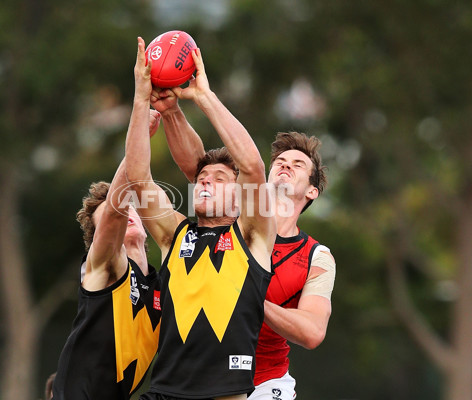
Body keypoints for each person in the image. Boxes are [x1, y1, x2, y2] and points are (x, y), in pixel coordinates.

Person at [151, 89, 335, 399]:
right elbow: (196, 168)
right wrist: (171, 112)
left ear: (312, 192)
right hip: (206, 376)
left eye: (298, 165)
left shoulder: (316, 256)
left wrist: (250, 298)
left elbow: (313, 332)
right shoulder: (232, 218)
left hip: (265, 383)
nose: (286, 165)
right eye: (279, 162)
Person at [126, 37, 275, 399]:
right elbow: (137, 178)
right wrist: (140, 99)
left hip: (223, 394)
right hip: (164, 392)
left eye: (220, 179)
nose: (205, 183)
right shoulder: (174, 234)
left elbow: (254, 167)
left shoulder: (252, 235)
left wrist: (203, 96)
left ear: (239, 195)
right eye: (202, 179)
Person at [50, 109, 163, 400]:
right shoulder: (102, 268)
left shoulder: (160, 284)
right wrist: (137, 142)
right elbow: (114, 212)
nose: (125, 214)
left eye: (130, 209)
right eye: (113, 219)